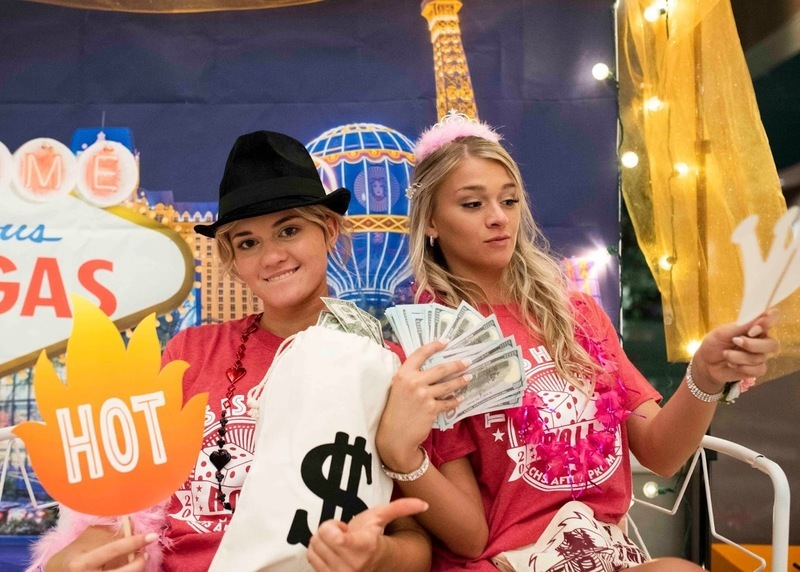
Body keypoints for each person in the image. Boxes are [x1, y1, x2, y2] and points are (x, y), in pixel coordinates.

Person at [375, 113, 780, 570]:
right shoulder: (428, 349)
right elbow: (471, 539)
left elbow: (661, 454)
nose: (498, 218)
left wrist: (704, 375)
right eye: (472, 204)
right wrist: (401, 455)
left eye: (509, 200)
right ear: (430, 221)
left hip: (603, 555)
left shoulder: (577, 316)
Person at [28, 130, 436, 572]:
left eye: (289, 230)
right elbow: (126, 498)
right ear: (233, 260)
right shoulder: (190, 353)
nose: (271, 256)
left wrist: (376, 556)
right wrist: (76, 557)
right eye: (248, 242)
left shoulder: (385, 367)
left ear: (329, 230)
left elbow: (415, 538)